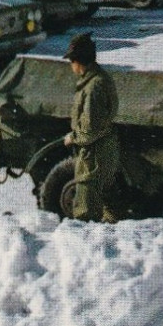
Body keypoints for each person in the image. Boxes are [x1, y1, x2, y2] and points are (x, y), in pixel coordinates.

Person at [61, 33, 120, 222]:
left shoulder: (94, 87)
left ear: (79, 62)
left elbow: (89, 128)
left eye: (72, 61)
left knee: (85, 213)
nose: (71, 66)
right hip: (100, 151)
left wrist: (73, 137)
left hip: (93, 154)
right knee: (106, 207)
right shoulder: (98, 79)